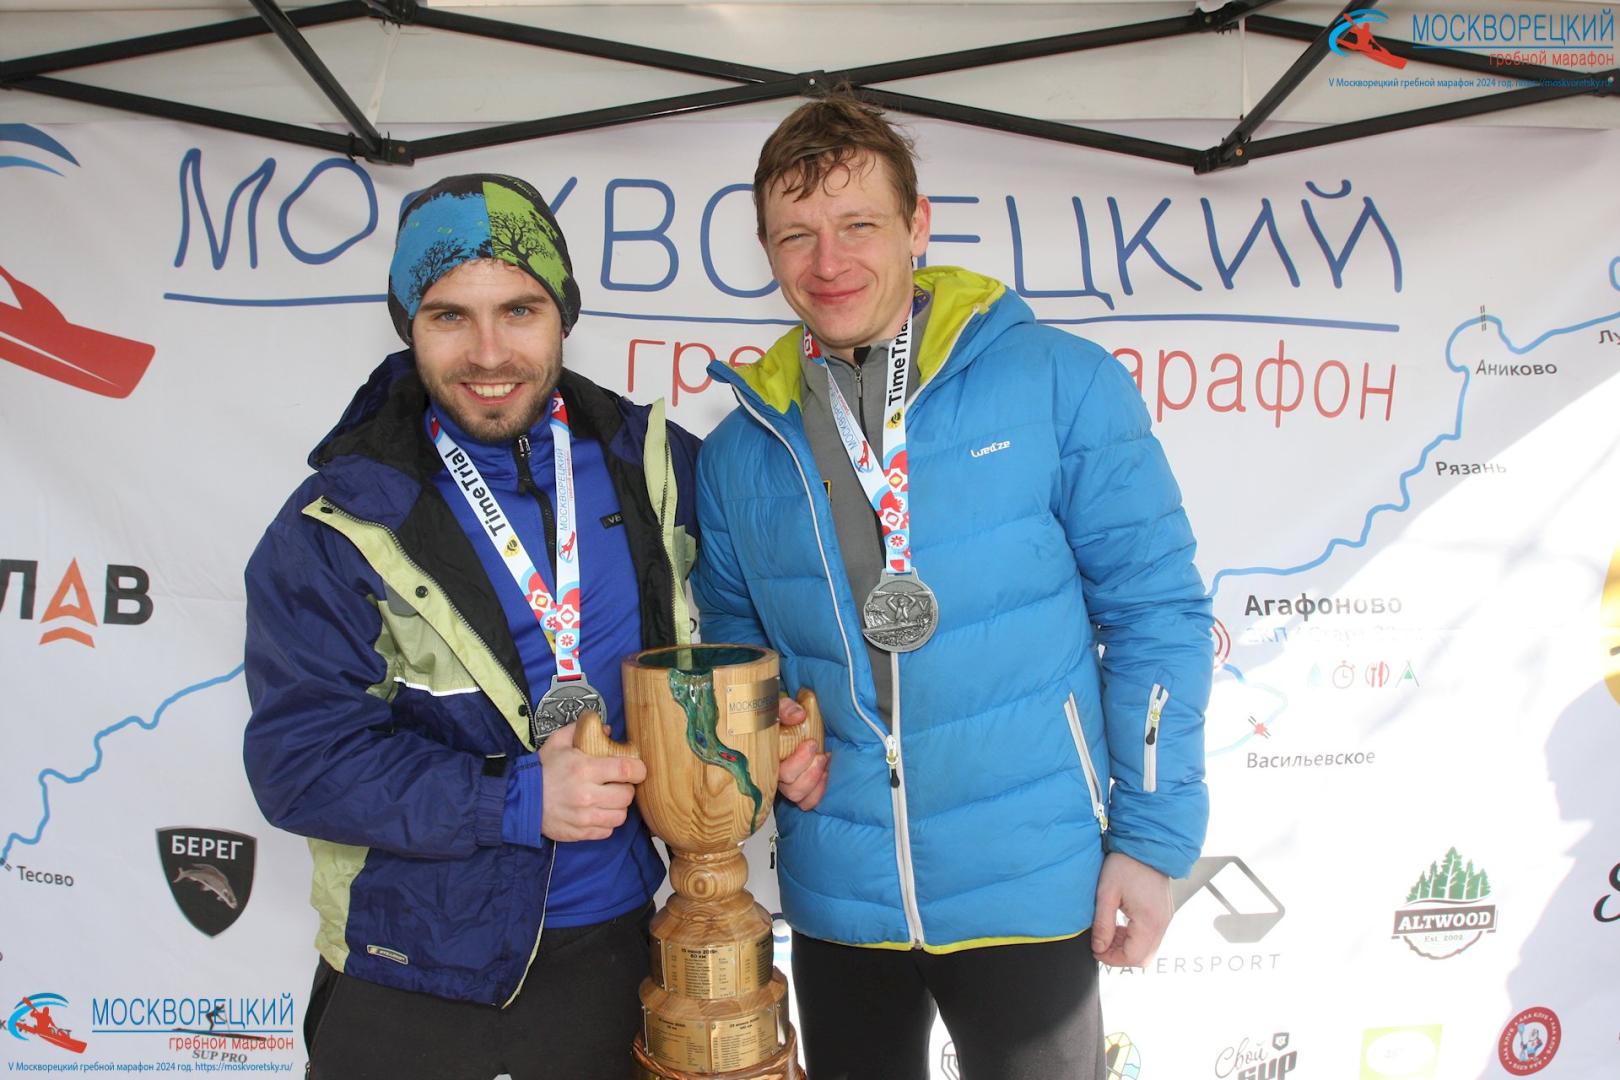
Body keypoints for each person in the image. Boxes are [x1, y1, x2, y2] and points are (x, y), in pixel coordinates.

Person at [692, 95, 1212, 1080]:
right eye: (797, 235)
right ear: (767, 251)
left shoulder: (1059, 384)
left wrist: (1149, 842)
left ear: (918, 225)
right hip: (839, 893)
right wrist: (777, 736)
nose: (828, 262)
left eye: (858, 225)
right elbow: (735, 650)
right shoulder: (740, 450)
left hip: (1029, 879)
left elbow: (1156, 616)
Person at [242, 174, 702, 1080]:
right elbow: (300, 764)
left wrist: (776, 725)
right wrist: (518, 800)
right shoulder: (338, 519)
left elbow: (743, 634)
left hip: (619, 950)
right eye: (450, 315)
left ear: (563, 315)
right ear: (408, 324)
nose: (489, 353)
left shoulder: (654, 463)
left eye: (519, 310)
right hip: (411, 966)